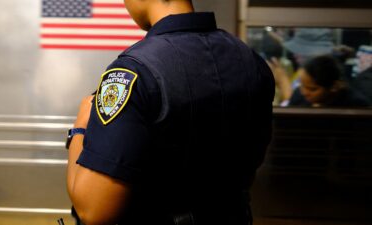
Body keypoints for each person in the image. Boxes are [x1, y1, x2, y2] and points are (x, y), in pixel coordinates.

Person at [66, 0, 275, 225]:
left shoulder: (133, 72)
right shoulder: (250, 61)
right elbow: (251, 161)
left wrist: (80, 126)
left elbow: (93, 210)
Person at [288, 55, 371, 107]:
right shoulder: (298, 96)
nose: (304, 92)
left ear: (334, 86)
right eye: (302, 85)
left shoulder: (356, 106)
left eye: (312, 89)